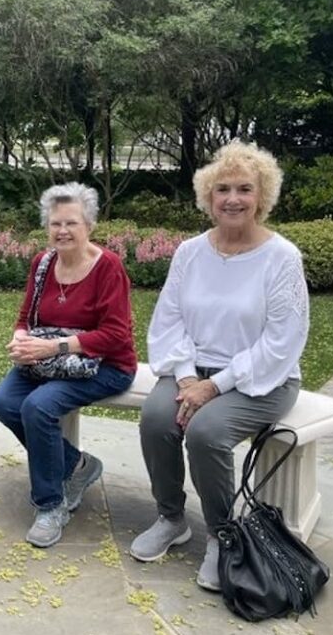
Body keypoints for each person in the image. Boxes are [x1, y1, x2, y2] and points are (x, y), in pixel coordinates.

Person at [132, 141, 309, 592]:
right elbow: (169, 319)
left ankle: (221, 534)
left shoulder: (282, 258)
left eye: (244, 189)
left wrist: (215, 386)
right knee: (156, 418)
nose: (232, 198)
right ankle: (172, 518)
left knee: (207, 433)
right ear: (208, 197)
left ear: (261, 197)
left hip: (262, 377)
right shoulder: (190, 251)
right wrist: (189, 376)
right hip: (194, 369)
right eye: (222, 189)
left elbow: (281, 342)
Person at [0, 183, 137, 548]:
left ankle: (50, 505)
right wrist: (21, 339)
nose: (62, 231)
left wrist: (53, 347)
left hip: (106, 365)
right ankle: (77, 465)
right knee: (4, 402)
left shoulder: (108, 268)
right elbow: (26, 315)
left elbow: (116, 335)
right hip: (50, 361)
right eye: (55, 223)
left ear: (89, 224)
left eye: (71, 222)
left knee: (38, 407)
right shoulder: (43, 263)